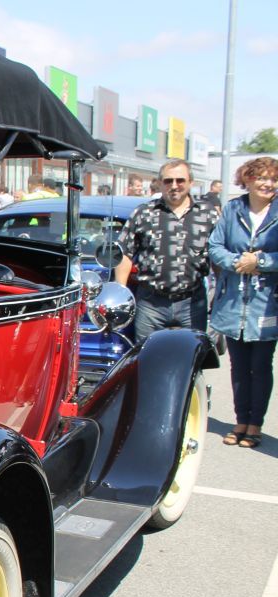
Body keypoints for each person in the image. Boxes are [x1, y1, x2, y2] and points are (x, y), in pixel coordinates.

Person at [207, 157, 278, 448]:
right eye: (262, 177)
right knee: (238, 366)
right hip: (233, 303)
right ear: (247, 180)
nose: (268, 184)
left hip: (267, 303)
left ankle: (255, 424)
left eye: (273, 179)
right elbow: (215, 246)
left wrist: (260, 262)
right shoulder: (233, 209)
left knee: (260, 366)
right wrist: (238, 262)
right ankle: (240, 421)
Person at [114, 159, 220, 340]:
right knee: (148, 355)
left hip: (192, 304)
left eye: (180, 180)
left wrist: (219, 292)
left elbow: (218, 255)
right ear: (160, 183)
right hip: (150, 304)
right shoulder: (144, 213)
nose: (174, 185)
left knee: (190, 355)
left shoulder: (207, 214)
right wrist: (121, 293)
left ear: (191, 182)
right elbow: (124, 253)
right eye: (168, 181)